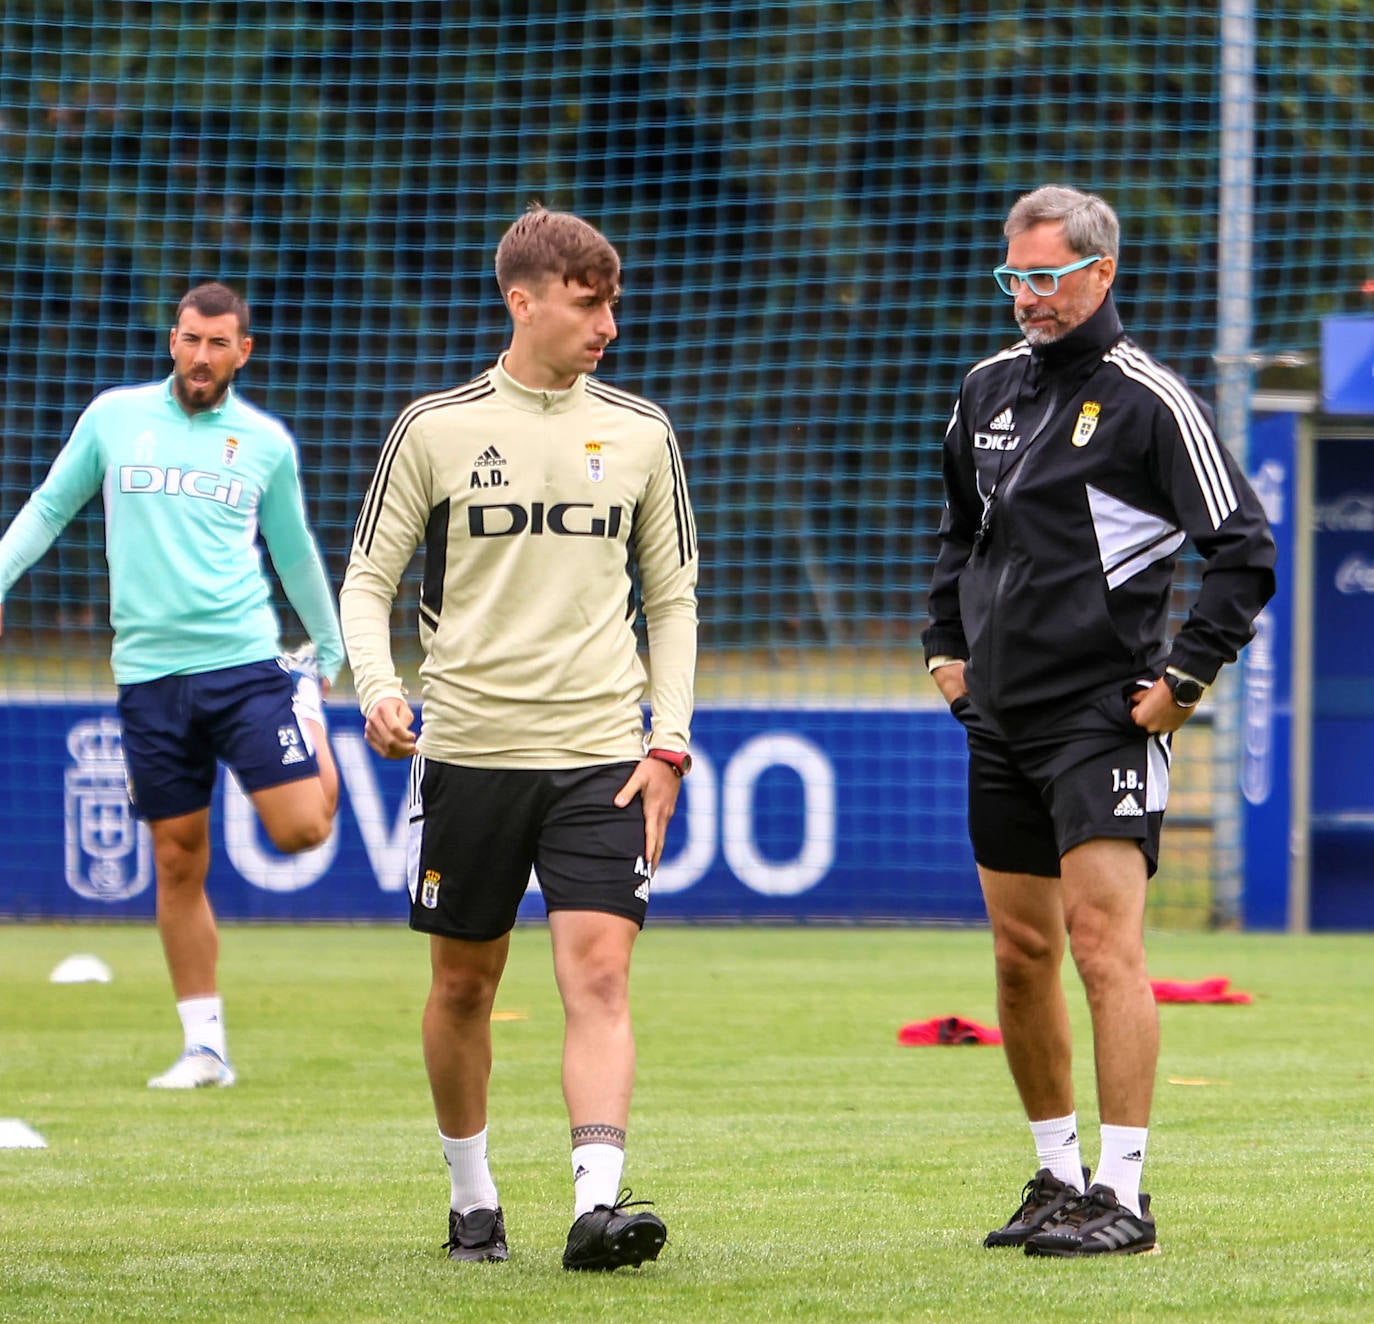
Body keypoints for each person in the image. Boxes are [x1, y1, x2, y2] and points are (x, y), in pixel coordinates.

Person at [340, 205, 698, 1271]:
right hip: (471, 754)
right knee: (464, 988)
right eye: (590, 306)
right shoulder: (436, 429)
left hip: (601, 752)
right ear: (524, 301)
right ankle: (472, 1197)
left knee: (598, 977)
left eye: (614, 306)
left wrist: (667, 740)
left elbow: (672, 600)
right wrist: (376, 686)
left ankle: (596, 1204)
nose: (609, 328)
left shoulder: (641, 433)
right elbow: (368, 579)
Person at [923, 186, 1276, 1257]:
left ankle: (1123, 1194)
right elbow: (959, 533)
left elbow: (1246, 549)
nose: (1027, 296)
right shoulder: (985, 387)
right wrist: (945, 651)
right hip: (1000, 720)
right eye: (1013, 276)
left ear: (1100, 272)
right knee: (1021, 954)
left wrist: (1183, 683)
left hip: (1103, 718)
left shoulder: (1147, 398)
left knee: (1102, 947)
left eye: (1046, 276)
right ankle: (1056, 1174)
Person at [0, 282, 345, 1090]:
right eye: (190, 339)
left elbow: (293, 555)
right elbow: (48, 509)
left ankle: (304, 711)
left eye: (218, 343)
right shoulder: (114, 417)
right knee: (177, 859)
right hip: (149, 678)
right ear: (172, 340)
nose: (201, 356)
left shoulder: (263, 443)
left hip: (246, 668)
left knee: (301, 831)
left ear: (242, 352)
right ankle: (206, 1048)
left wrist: (325, 657)